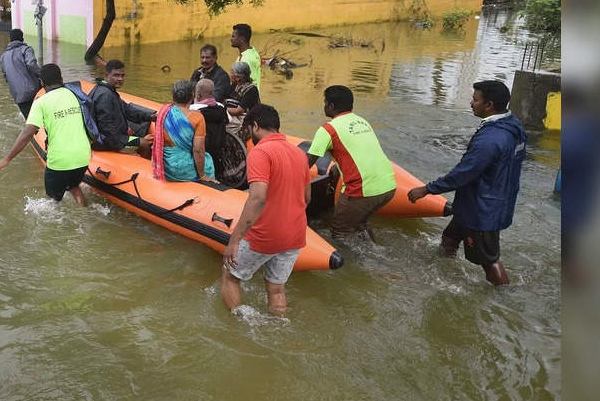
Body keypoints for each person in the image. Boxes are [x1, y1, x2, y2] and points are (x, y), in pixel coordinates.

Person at [408, 80, 527, 286]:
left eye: (475, 100)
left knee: (489, 260)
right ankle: (439, 275)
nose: (471, 104)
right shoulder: (513, 126)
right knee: (449, 238)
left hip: (482, 210)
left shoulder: (490, 139)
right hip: (483, 201)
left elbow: (463, 174)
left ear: (488, 105)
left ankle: (503, 294)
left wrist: (426, 189)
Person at [221, 104, 311, 314]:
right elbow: (306, 198)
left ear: (255, 126)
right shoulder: (299, 155)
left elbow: (257, 198)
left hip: (265, 234)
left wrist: (234, 241)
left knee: (230, 277)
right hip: (295, 235)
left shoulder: (260, 152)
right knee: (277, 289)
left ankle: (240, 328)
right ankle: (279, 324)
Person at [0, 64, 91, 206]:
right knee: (74, 186)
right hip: (83, 156)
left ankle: (57, 226)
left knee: (52, 202)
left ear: (42, 83)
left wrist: (7, 159)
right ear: (61, 79)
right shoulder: (75, 95)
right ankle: (84, 213)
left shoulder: (41, 102)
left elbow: (27, 133)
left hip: (60, 161)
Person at [306, 86, 396, 241]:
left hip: (362, 190)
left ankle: (353, 263)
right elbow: (358, 152)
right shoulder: (361, 121)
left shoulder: (328, 129)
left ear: (331, 106)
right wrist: (337, 168)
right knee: (361, 222)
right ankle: (374, 248)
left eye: (325, 102)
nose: (324, 106)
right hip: (388, 187)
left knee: (339, 232)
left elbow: (306, 163)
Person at [150, 80, 217, 183]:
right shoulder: (198, 117)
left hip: (165, 165)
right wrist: (202, 175)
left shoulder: (164, 112)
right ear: (192, 96)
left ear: (173, 96)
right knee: (208, 159)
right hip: (183, 170)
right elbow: (198, 150)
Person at [89, 59, 155, 152]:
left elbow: (127, 110)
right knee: (144, 143)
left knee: (142, 138)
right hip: (103, 141)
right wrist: (120, 148)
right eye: (116, 75)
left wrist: (150, 117)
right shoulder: (105, 95)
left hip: (112, 137)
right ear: (107, 76)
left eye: (122, 75)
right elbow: (106, 127)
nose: (120, 79)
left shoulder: (108, 91)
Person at [0, 28, 43, 118]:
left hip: (18, 95)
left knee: (30, 121)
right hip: (33, 91)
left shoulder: (3, 57)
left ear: (10, 40)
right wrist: (42, 76)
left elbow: (5, 76)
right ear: (22, 39)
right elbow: (31, 65)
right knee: (42, 118)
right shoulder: (26, 49)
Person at [189, 79, 227, 161]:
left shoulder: (192, 110)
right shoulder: (222, 108)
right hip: (218, 152)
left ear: (198, 95)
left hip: (200, 151)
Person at [225, 61, 260, 137]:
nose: (230, 75)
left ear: (238, 77)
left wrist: (222, 109)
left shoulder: (251, 90)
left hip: (247, 122)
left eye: (232, 73)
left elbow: (238, 111)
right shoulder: (234, 86)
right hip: (233, 117)